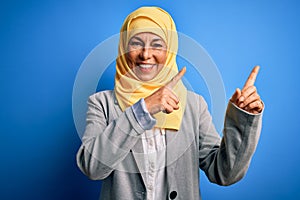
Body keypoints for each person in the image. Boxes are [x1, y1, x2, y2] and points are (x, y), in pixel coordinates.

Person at [76, 6, 264, 200]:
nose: (146, 54)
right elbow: (92, 168)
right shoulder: (102, 104)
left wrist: (242, 120)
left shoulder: (194, 105)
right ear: (124, 48)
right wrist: (143, 109)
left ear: (171, 50)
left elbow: (224, 173)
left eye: (157, 44)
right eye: (136, 43)